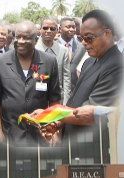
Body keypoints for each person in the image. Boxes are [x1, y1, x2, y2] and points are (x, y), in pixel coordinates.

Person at [40, 10, 123, 141]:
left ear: (107, 34)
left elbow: (90, 114)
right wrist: (59, 123)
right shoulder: (89, 62)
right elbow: (74, 103)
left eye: (89, 38)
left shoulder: (117, 66)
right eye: (81, 38)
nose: (84, 43)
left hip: (93, 145)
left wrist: (49, 115)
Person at [0, 21, 61, 145]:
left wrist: (54, 130)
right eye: (18, 37)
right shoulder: (0, 62)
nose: (21, 41)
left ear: (35, 39)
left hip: (40, 134)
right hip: (11, 134)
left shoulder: (49, 62)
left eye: (26, 38)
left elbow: (54, 99)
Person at [36, 18, 71, 104]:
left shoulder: (63, 51)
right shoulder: (33, 50)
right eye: (45, 28)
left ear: (57, 31)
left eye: (52, 29)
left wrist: (66, 102)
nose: (48, 31)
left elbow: (66, 77)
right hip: (36, 98)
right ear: (40, 30)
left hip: (57, 99)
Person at [57, 17, 86, 91]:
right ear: (60, 29)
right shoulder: (53, 46)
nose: (72, 29)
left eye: (73, 27)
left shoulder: (82, 47)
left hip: (75, 90)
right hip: (56, 89)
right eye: (68, 27)